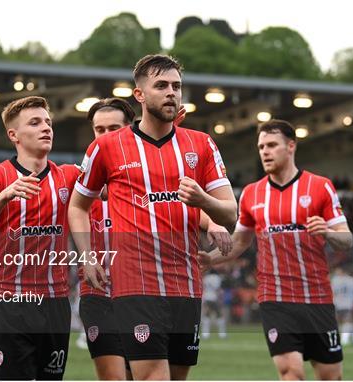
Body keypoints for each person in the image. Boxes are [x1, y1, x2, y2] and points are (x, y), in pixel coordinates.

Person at [69, 54, 237, 380]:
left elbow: (230, 211)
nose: (171, 92)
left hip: (186, 284)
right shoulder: (107, 147)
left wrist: (202, 199)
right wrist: (87, 258)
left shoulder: (201, 145)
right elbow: (78, 206)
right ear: (140, 95)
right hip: (135, 285)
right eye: (161, 85)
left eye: (176, 86)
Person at [201, 119, 353, 380]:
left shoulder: (320, 187)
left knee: (330, 375)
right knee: (290, 371)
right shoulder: (251, 193)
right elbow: (239, 242)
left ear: (291, 146)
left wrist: (327, 232)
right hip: (275, 299)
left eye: (272, 145)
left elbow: (346, 240)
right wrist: (209, 259)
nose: (265, 152)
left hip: (316, 297)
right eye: (261, 147)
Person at [0, 96, 79, 380]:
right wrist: (4, 197)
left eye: (48, 122)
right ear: (13, 135)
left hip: (55, 303)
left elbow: (113, 185)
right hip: (9, 302)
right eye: (35, 122)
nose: (46, 128)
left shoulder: (69, 176)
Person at [78, 98, 136, 380]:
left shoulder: (144, 179)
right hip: (97, 294)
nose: (105, 136)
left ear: (130, 129)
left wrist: (211, 222)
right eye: (99, 130)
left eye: (113, 128)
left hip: (141, 293)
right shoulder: (79, 181)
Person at [331, 266, 353, 346]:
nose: (336, 273)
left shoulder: (335, 280)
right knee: (348, 321)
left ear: (342, 271)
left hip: (337, 303)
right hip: (348, 304)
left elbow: (331, 292)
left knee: (346, 322)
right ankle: (347, 340)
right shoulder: (351, 280)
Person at [201, 270, 227, 339]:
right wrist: (220, 299)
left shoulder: (205, 278)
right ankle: (222, 334)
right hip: (215, 298)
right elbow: (218, 289)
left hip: (207, 297)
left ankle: (205, 334)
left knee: (206, 315)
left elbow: (203, 288)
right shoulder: (217, 277)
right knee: (220, 315)